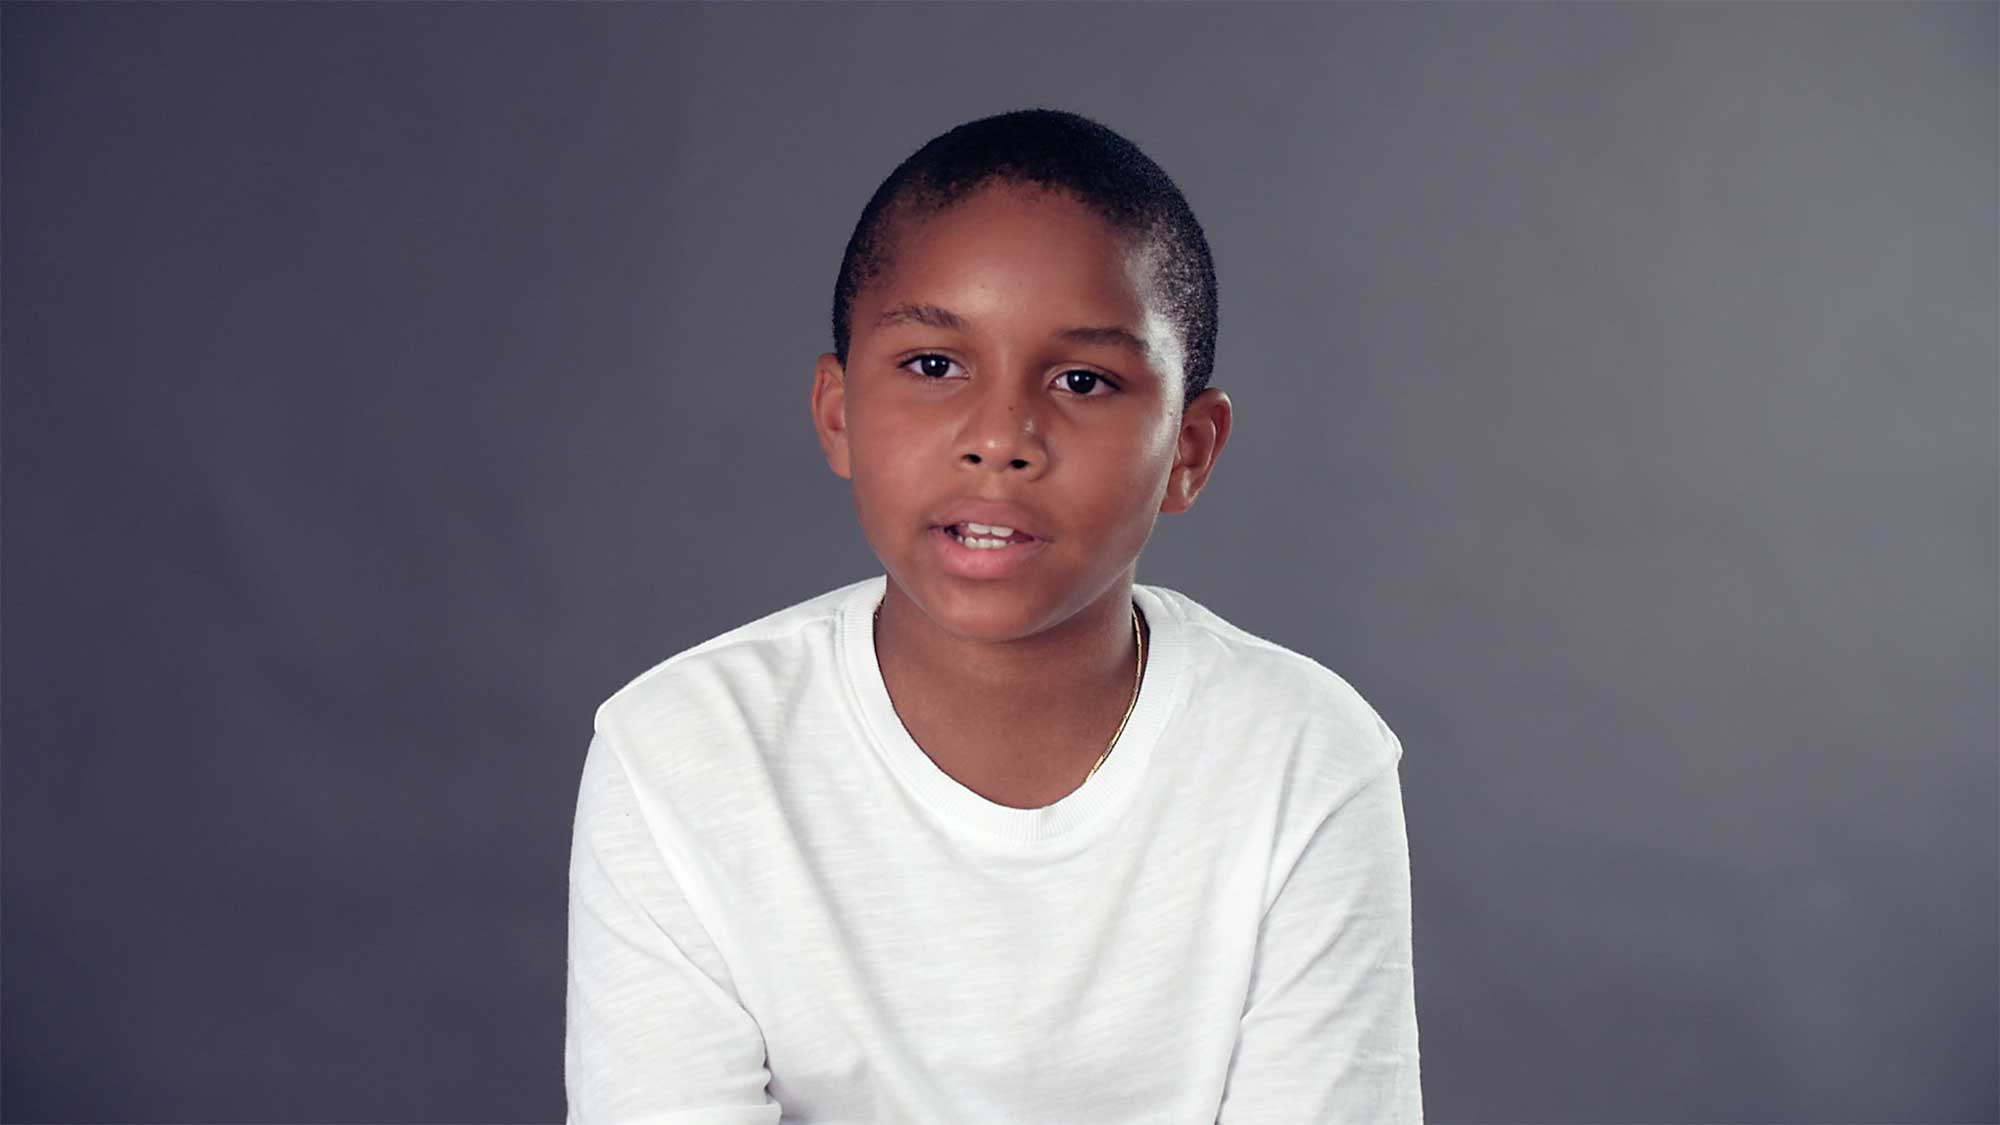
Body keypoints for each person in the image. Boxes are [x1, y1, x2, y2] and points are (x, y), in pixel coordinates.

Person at [564, 107, 1422, 1123]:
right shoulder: (681, 751)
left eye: (1082, 380)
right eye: (933, 366)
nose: (999, 439)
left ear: (1187, 450)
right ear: (838, 413)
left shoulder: (1301, 754)